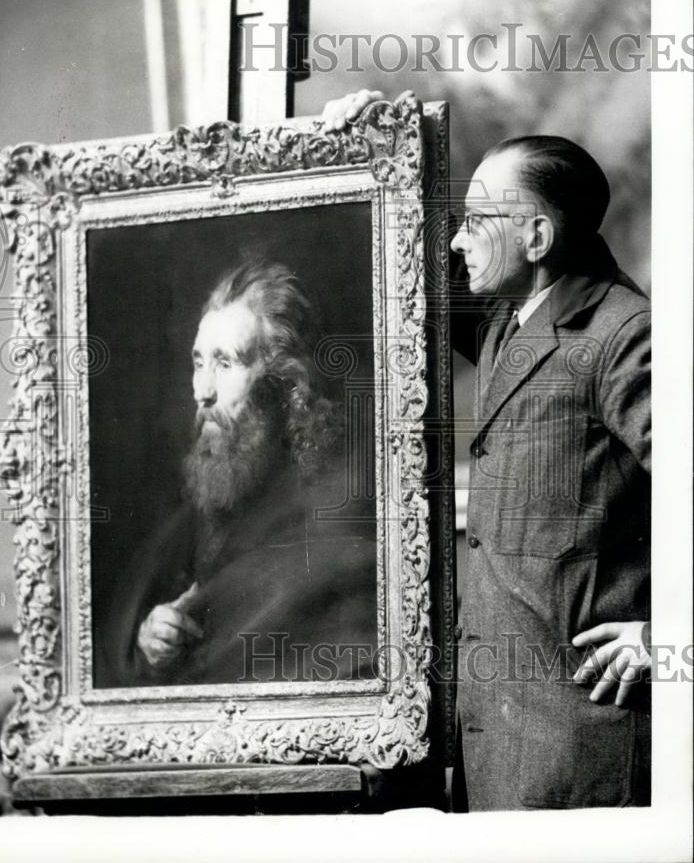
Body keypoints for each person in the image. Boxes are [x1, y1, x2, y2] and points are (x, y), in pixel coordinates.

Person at [323, 91, 651, 810]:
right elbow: (408, 255)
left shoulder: (625, 336)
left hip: (580, 760)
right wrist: (370, 145)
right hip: (499, 750)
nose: (456, 241)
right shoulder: (510, 317)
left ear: (535, 237)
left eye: (476, 222)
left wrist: (668, 635)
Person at [102, 259, 377, 687]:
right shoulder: (195, 518)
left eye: (225, 363)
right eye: (199, 363)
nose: (203, 391)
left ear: (285, 383)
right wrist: (151, 642)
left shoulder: (333, 520)